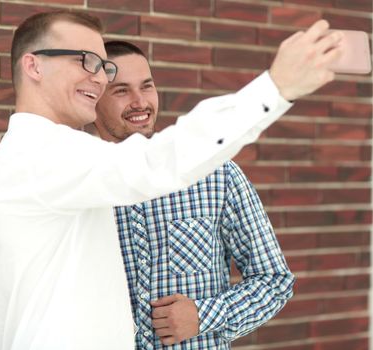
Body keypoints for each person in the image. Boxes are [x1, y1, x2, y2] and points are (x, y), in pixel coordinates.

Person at [0, 9, 343, 350]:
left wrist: (205, 316)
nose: (99, 77)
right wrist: (275, 88)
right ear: (34, 66)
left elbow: (271, 279)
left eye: (103, 67)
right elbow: (156, 163)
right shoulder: (43, 156)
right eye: (85, 61)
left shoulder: (70, 161)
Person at [94, 40, 294, 349]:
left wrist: (204, 315)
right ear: (93, 98)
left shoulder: (215, 175)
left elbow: (273, 281)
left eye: (146, 87)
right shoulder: (81, 183)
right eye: (121, 91)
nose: (139, 102)